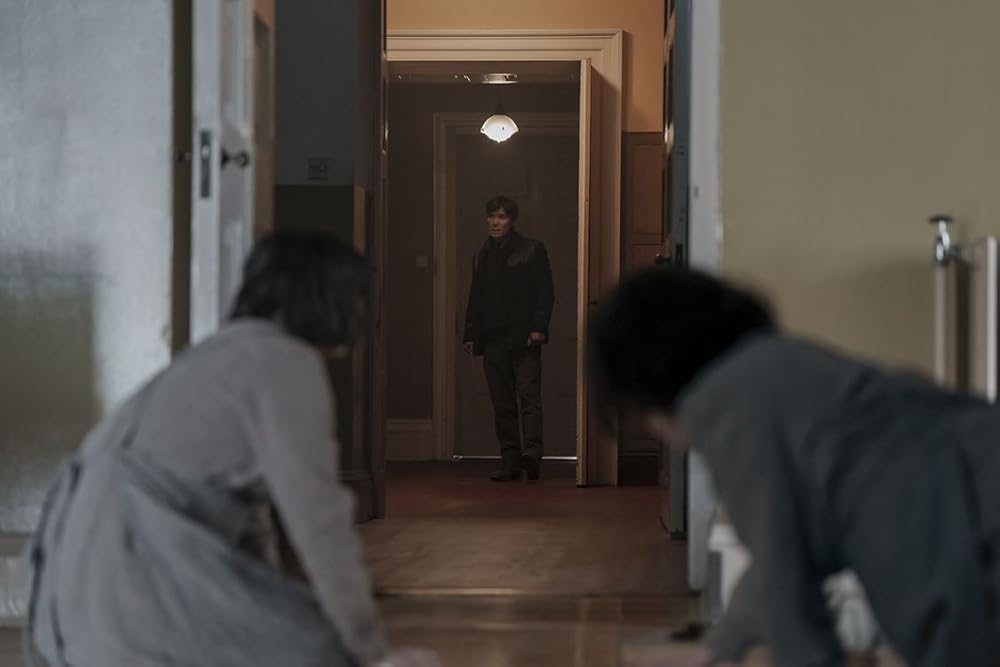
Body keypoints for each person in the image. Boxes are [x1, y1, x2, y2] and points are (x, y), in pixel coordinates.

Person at [27, 231, 438, 667]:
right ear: (327, 299)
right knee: (322, 652)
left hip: (70, 596)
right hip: (136, 583)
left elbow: (252, 525)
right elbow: (319, 518)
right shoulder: (283, 363)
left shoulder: (215, 355)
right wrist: (369, 648)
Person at [589, 266, 1000, 667]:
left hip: (966, 545)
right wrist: (720, 645)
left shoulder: (723, 405)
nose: (675, 442)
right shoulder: (781, 366)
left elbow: (786, 590)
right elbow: (780, 555)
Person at [462, 195, 555, 482]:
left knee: (528, 397)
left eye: (501, 217)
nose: (495, 222)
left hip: (523, 337)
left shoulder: (531, 250)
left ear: (511, 220)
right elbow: (476, 297)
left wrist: (539, 328)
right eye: (492, 216)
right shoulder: (482, 255)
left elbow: (545, 291)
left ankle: (532, 455)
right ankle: (510, 460)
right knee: (502, 403)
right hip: (493, 338)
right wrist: (470, 333)